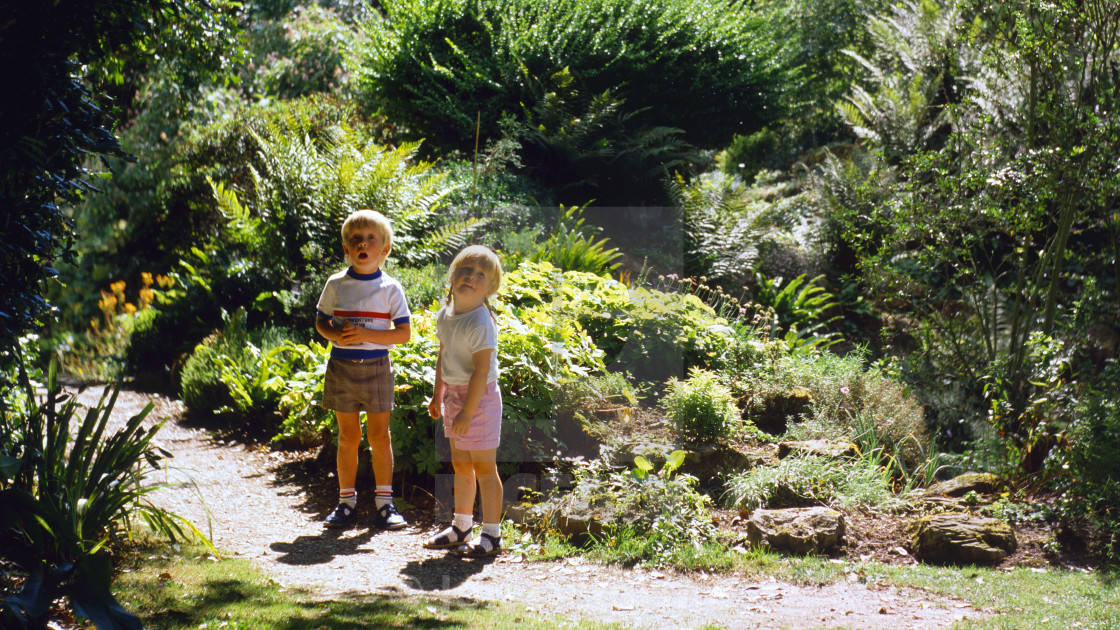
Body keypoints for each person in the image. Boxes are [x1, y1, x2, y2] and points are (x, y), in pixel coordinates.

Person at [316, 209, 411, 530]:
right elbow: (321, 321)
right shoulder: (336, 284)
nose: (363, 244)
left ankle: (385, 504)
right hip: (341, 367)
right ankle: (346, 504)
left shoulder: (390, 289)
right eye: (355, 239)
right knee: (347, 437)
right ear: (346, 248)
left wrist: (367, 335)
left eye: (371, 239)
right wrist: (334, 334)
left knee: (379, 436)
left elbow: (403, 334)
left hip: (377, 368)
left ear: (384, 249)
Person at [424, 245, 505, 556]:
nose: (471, 276)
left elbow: (482, 371)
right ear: (452, 276)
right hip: (455, 396)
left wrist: (468, 413)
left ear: (490, 289)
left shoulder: (481, 322)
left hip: (479, 399)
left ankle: (493, 534)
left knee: (485, 466)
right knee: (461, 463)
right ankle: (461, 527)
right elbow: (444, 356)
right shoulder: (446, 316)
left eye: (481, 274)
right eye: (465, 270)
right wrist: (438, 394)